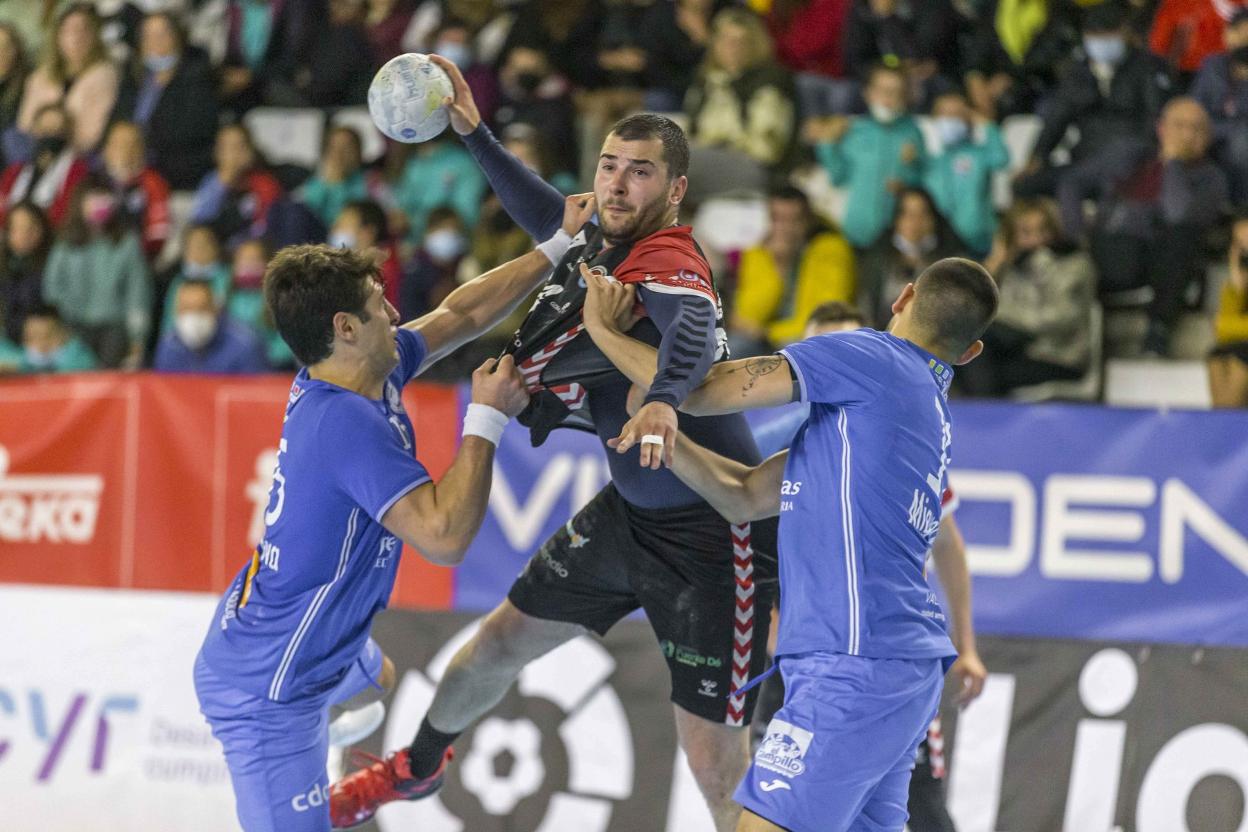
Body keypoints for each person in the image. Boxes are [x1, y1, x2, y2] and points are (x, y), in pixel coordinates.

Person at [330, 58, 779, 832]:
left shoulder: (667, 258)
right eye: (609, 166)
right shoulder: (600, 240)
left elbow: (695, 336)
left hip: (717, 540)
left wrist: (667, 402)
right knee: (495, 645)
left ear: (674, 192)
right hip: (629, 518)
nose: (616, 185)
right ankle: (418, 766)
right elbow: (548, 218)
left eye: (640, 174)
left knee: (711, 763)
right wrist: (473, 132)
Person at [195, 189, 597, 832]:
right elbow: (442, 537)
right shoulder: (345, 425)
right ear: (344, 329)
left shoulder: (362, 372)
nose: (395, 310)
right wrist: (487, 416)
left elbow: (460, 314)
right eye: (379, 304)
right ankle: (341, 799)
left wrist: (557, 249)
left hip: (296, 633)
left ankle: (339, 771)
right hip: (270, 691)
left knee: (376, 678)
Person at [579, 254, 998, 832]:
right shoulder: (908, 413)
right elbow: (744, 495)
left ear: (900, 300)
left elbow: (700, 391)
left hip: (850, 663)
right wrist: (662, 433)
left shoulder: (873, 356)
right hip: (892, 665)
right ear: (970, 352)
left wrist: (602, 331)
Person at [962, 197, 1096, 397]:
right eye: (1026, 233)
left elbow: (1056, 318)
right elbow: (967, 306)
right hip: (1020, 352)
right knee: (958, 356)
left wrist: (1001, 318)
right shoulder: (1012, 265)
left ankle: (984, 421)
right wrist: (995, 263)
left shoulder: (1074, 265)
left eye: (1043, 230)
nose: (1036, 239)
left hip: (1057, 356)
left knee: (982, 362)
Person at [806, 63, 927, 249]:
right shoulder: (854, 130)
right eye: (882, 90)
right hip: (854, 231)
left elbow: (921, 180)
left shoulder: (913, 132)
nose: (888, 97)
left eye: (895, 91)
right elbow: (838, 177)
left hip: (896, 237)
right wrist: (828, 144)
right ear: (868, 93)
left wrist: (908, 179)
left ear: (905, 96)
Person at [729, 187, 856, 355]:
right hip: (766, 339)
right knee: (734, 347)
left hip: (804, 339)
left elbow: (825, 318)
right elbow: (747, 315)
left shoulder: (830, 249)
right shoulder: (759, 250)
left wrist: (768, 333)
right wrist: (778, 267)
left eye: (793, 220)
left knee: (794, 349)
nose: (785, 229)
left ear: (808, 220)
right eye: (778, 219)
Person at [41, 174, 151, 368]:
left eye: (104, 198)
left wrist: (137, 338)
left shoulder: (127, 243)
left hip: (114, 326)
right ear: (80, 202)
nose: (99, 205)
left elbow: (137, 292)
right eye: (93, 199)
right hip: (73, 324)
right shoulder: (66, 243)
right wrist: (61, 321)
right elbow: (52, 286)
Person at [110, 11, 219, 190]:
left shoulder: (197, 77)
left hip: (174, 167)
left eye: (162, 34)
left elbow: (193, 131)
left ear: (178, 37)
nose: (156, 42)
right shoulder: (134, 77)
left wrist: (140, 145)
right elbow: (118, 118)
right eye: (149, 36)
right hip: (129, 162)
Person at [16, 4, 118, 155]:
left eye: (83, 30)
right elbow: (24, 125)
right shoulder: (39, 78)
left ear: (94, 36)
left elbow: (92, 135)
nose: (76, 37)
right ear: (57, 35)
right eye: (68, 30)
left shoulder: (105, 75)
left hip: (80, 157)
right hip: (34, 152)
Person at [924, 91, 1010, 258]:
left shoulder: (977, 154)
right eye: (945, 114)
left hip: (982, 243)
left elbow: (1001, 159)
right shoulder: (930, 161)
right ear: (935, 119)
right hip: (943, 246)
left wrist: (987, 125)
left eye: (957, 114)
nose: (951, 119)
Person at [153, 279, 270, 374]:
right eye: (186, 309)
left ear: (216, 309)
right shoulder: (168, 347)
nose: (194, 316)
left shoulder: (246, 346)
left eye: (201, 308)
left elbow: (256, 397)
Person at [99, 120, 171, 261]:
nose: (127, 150)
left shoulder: (153, 183)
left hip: (138, 260)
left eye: (133, 144)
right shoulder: (93, 181)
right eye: (119, 144)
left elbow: (158, 234)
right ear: (106, 149)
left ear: (142, 149)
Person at [0, 201, 51, 343]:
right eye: (17, 229)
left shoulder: (53, 263)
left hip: (42, 342)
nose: (24, 235)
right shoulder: (3, 265)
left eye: (31, 228)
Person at [18, 302, 98, 373]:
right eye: (32, 338)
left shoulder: (84, 365)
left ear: (65, 334)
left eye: (47, 337)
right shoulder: (19, 363)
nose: (41, 345)